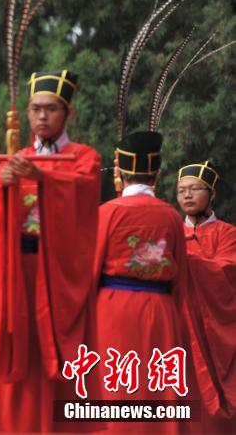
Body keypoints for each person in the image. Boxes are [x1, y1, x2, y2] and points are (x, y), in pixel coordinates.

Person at [0, 70, 100, 432]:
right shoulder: (19, 157)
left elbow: (84, 192)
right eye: (35, 109)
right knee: (20, 352)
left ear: (68, 113)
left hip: (60, 274)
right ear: (26, 114)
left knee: (59, 357)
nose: (42, 116)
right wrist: (0, 183)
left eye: (52, 109)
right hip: (22, 271)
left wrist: (45, 179)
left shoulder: (84, 157)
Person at [90, 131, 188, 434]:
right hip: (161, 312)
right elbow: (181, 276)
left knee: (115, 389)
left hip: (113, 312)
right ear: (157, 173)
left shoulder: (106, 213)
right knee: (157, 393)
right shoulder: (172, 218)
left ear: (119, 172)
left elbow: (90, 270)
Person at [175, 161, 236, 433]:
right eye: (181, 191)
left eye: (194, 189)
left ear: (212, 193)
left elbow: (225, 269)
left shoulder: (228, 234)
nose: (187, 196)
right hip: (180, 328)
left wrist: (184, 258)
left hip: (215, 330)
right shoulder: (172, 232)